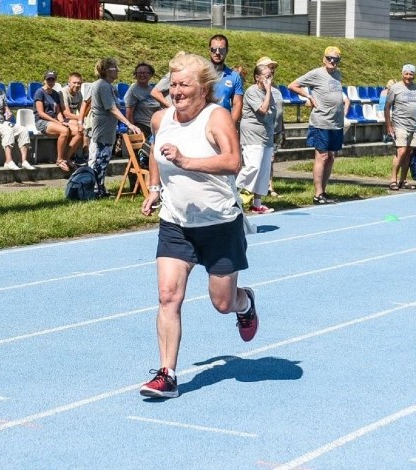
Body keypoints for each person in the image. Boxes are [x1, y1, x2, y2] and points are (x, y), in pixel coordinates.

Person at [138, 53, 258, 399]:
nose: (175, 91)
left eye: (183, 85)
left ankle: (244, 302)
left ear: (203, 89)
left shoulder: (215, 116)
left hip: (219, 223)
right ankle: (167, 374)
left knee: (222, 303)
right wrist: (155, 188)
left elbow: (233, 161)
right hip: (176, 222)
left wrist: (187, 161)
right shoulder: (161, 120)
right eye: (172, 84)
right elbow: (157, 152)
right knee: (167, 296)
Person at [288, 46, 349, 205]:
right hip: (321, 121)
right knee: (322, 156)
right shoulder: (316, 73)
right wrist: (309, 96)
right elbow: (293, 85)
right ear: (324, 59)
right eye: (329, 58)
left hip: (336, 123)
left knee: (331, 157)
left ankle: (324, 190)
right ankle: (317, 194)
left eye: (335, 59)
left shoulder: (337, 74)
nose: (332, 61)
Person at [152, 36, 243, 127]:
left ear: (227, 51)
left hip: (223, 123)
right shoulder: (199, 71)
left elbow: (237, 104)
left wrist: (230, 125)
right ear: (209, 50)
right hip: (198, 122)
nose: (217, 52)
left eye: (222, 50)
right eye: (214, 49)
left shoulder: (234, 76)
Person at [89, 57, 141, 198]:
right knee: (101, 158)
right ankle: (98, 190)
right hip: (103, 128)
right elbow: (112, 108)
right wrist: (128, 123)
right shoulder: (103, 86)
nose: (118, 70)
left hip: (107, 127)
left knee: (103, 158)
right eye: (114, 68)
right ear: (106, 70)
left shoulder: (107, 85)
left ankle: (100, 188)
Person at [236, 64, 276, 214]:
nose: (269, 79)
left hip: (266, 135)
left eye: (270, 76)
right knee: (253, 167)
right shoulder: (252, 92)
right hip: (252, 135)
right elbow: (264, 110)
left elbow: (273, 115)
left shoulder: (268, 92)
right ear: (257, 78)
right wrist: (269, 90)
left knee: (264, 171)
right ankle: (233, 192)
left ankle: (257, 204)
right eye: (266, 76)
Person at [384, 64, 416, 191]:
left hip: (414, 125)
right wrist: (389, 125)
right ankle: (393, 180)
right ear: (402, 74)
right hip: (400, 125)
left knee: (408, 153)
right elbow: (387, 107)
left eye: (411, 74)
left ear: (414, 75)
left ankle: (403, 180)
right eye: (406, 74)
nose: (408, 77)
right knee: (400, 151)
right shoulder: (395, 88)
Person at [33, 71, 81, 171]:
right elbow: (41, 113)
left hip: (54, 121)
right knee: (64, 131)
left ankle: (67, 158)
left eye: (53, 79)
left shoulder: (55, 94)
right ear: (44, 80)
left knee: (79, 132)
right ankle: (59, 160)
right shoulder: (39, 92)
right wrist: (57, 122)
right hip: (42, 122)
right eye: (48, 79)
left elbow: (58, 111)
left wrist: (61, 120)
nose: (50, 82)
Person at [256, 56, 285, 198]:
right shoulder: (258, 91)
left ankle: (269, 185)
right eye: (269, 67)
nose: (272, 70)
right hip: (264, 131)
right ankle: (259, 188)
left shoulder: (277, 89)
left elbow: (280, 111)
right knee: (261, 160)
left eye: (273, 68)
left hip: (277, 130)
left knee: (271, 160)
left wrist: (282, 129)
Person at [124, 62, 161, 138]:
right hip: (142, 128)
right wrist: (133, 130)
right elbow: (129, 113)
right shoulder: (133, 91)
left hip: (155, 127)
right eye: (139, 73)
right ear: (136, 75)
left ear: (150, 75)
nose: (142, 75)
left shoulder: (152, 89)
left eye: (145, 73)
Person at [60, 72, 86, 164]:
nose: (77, 85)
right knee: (80, 128)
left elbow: (82, 110)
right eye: (74, 83)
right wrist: (80, 118)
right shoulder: (64, 92)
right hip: (62, 119)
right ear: (69, 82)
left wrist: (82, 119)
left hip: (73, 119)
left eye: (79, 83)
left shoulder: (79, 94)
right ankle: (68, 156)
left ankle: (82, 154)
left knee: (86, 125)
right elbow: (66, 113)